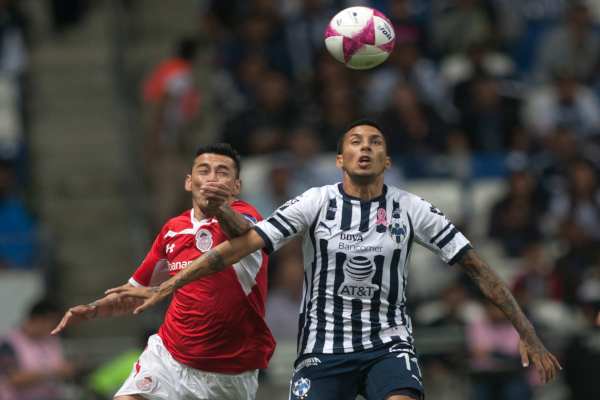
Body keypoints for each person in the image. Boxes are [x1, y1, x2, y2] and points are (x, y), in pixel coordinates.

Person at [112, 120, 562, 400]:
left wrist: (527, 332)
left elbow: (478, 268)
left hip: (388, 344)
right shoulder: (315, 202)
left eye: (375, 142)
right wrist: (168, 285)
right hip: (323, 351)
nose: (365, 148)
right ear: (340, 159)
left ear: (387, 160)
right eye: (355, 142)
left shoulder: (412, 209)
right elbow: (240, 246)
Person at [52, 143, 275, 400]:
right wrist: (95, 308)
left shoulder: (248, 218)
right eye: (204, 171)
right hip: (169, 356)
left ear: (236, 186)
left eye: (222, 172)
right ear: (189, 182)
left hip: (229, 372)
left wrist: (220, 207)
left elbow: (243, 233)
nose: (212, 178)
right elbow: (138, 291)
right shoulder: (172, 229)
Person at [0, 298, 76, 400]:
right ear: (38, 320)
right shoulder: (9, 343)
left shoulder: (52, 341)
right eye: (53, 323)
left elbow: (61, 366)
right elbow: (14, 378)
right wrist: (52, 372)